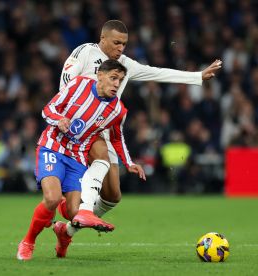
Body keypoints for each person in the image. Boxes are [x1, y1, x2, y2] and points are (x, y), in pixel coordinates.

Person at [56, 20, 222, 223]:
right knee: (99, 162)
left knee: (112, 196)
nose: (120, 48)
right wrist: (66, 117)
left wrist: (198, 76)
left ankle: (69, 227)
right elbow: (66, 85)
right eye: (116, 42)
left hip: (105, 130)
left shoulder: (125, 64)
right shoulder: (84, 53)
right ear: (103, 38)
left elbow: (157, 72)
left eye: (124, 44)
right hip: (78, 130)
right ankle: (80, 212)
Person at [17, 59, 146, 261]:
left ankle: (61, 230)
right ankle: (28, 242)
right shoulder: (78, 85)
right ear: (100, 75)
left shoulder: (117, 110)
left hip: (77, 157)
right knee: (51, 198)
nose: (116, 84)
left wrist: (128, 162)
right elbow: (47, 109)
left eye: (120, 81)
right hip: (53, 146)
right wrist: (58, 120)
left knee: (73, 212)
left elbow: (116, 137)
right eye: (113, 78)